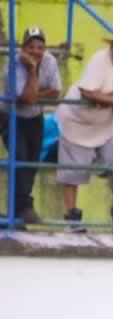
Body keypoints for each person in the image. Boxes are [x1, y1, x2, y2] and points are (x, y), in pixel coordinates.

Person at [55, 24, 113, 232]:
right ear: (112, 47)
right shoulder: (99, 59)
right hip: (77, 121)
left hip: (105, 123)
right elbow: (87, 91)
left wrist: (109, 98)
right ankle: (72, 218)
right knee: (72, 172)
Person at [1, 26, 61, 227]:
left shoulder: (51, 61)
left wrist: (35, 93)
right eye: (31, 47)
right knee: (20, 158)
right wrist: (32, 70)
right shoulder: (12, 65)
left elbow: (56, 91)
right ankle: (23, 209)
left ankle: (19, 211)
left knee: (33, 162)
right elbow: (26, 99)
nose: (36, 51)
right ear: (23, 48)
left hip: (35, 117)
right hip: (12, 117)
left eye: (40, 47)